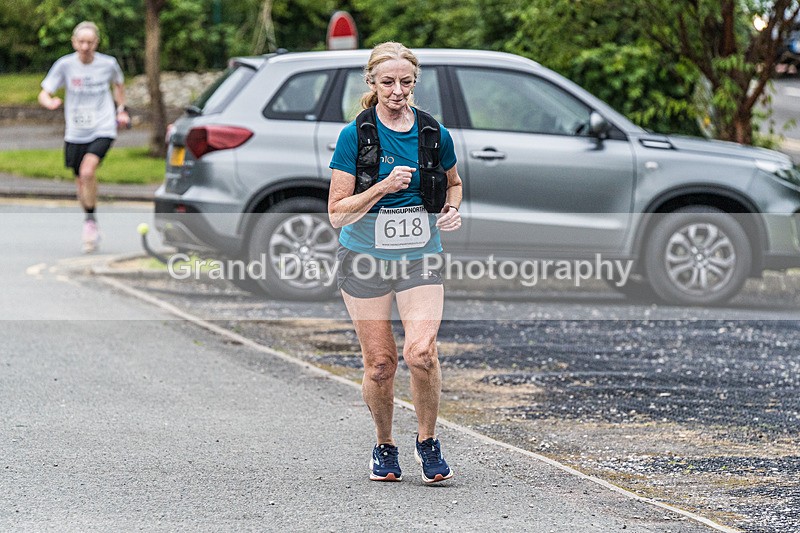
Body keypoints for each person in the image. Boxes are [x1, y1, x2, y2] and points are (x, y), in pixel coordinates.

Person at [328, 42, 463, 484]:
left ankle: (427, 442)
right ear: (372, 83)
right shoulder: (356, 136)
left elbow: (454, 184)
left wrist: (452, 209)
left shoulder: (432, 133)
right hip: (364, 257)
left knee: (420, 352)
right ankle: (385, 445)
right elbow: (337, 212)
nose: (398, 90)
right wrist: (382, 188)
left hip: (419, 254)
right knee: (381, 365)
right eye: (388, 82)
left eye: (406, 82)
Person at [38, 21, 130, 253]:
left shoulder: (108, 64)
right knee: (81, 181)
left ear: (96, 43)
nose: (85, 46)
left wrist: (121, 110)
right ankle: (91, 221)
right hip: (76, 130)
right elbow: (45, 91)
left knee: (88, 171)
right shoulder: (65, 65)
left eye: (90, 42)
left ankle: (89, 223)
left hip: (103, 126)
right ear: (74, 42)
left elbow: (119, 85)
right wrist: (49, 102)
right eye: (81, 42)